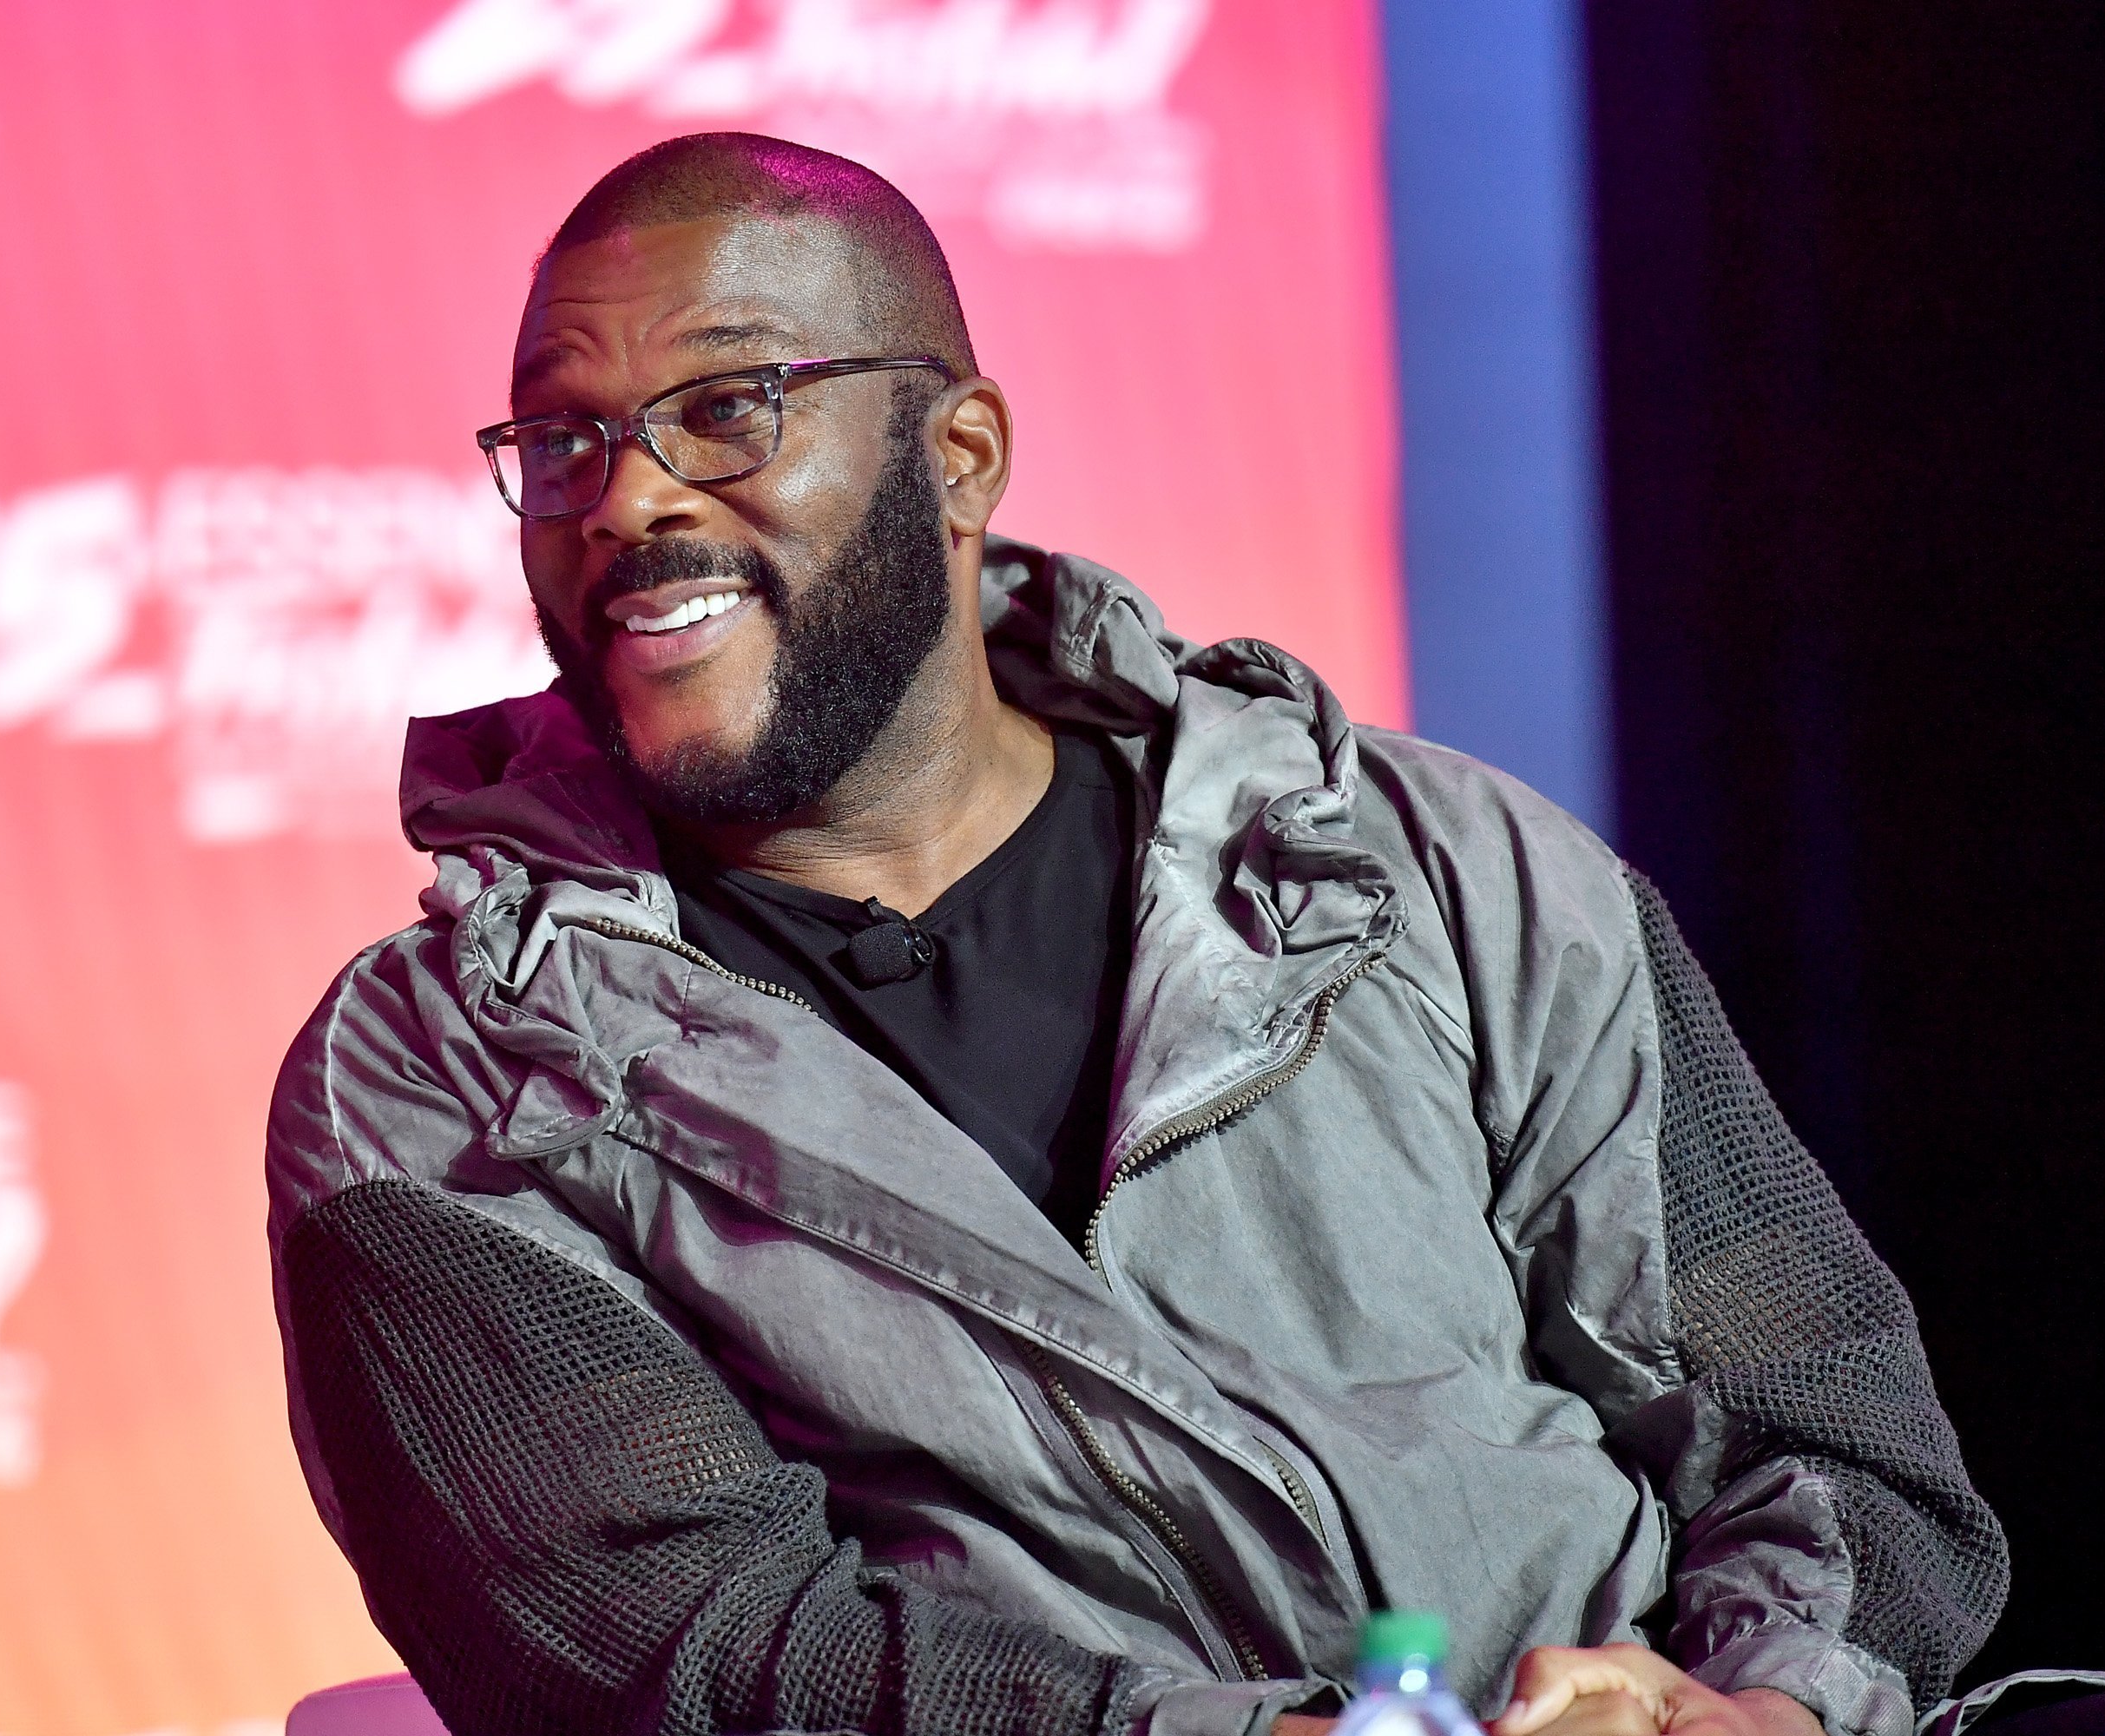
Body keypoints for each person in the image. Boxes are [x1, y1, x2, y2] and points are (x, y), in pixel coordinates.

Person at [266, 133, 2007, 1736]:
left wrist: (1765, 1712)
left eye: (727, 409)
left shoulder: (1440, 867)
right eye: (564, 442)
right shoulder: (439, 1093)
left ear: (958, 458)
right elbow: (698, 1654)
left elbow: (1821, 1419)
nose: (627, 503)